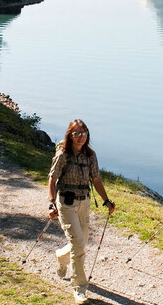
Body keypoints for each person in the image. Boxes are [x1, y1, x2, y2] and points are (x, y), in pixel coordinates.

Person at [47, 119, 115, 305]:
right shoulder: (63, 155)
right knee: (78, 244)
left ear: (88, 134)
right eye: (76, 134)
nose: (80, 137)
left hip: (84, 203)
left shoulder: (91, 155)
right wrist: (51, 203)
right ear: (70, 135)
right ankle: (79, 289)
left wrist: (106, 200)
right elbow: (52, 180)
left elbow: (96, 179)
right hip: (66, 204)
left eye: (83, 133)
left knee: (82, 242)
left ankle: (61, 257)